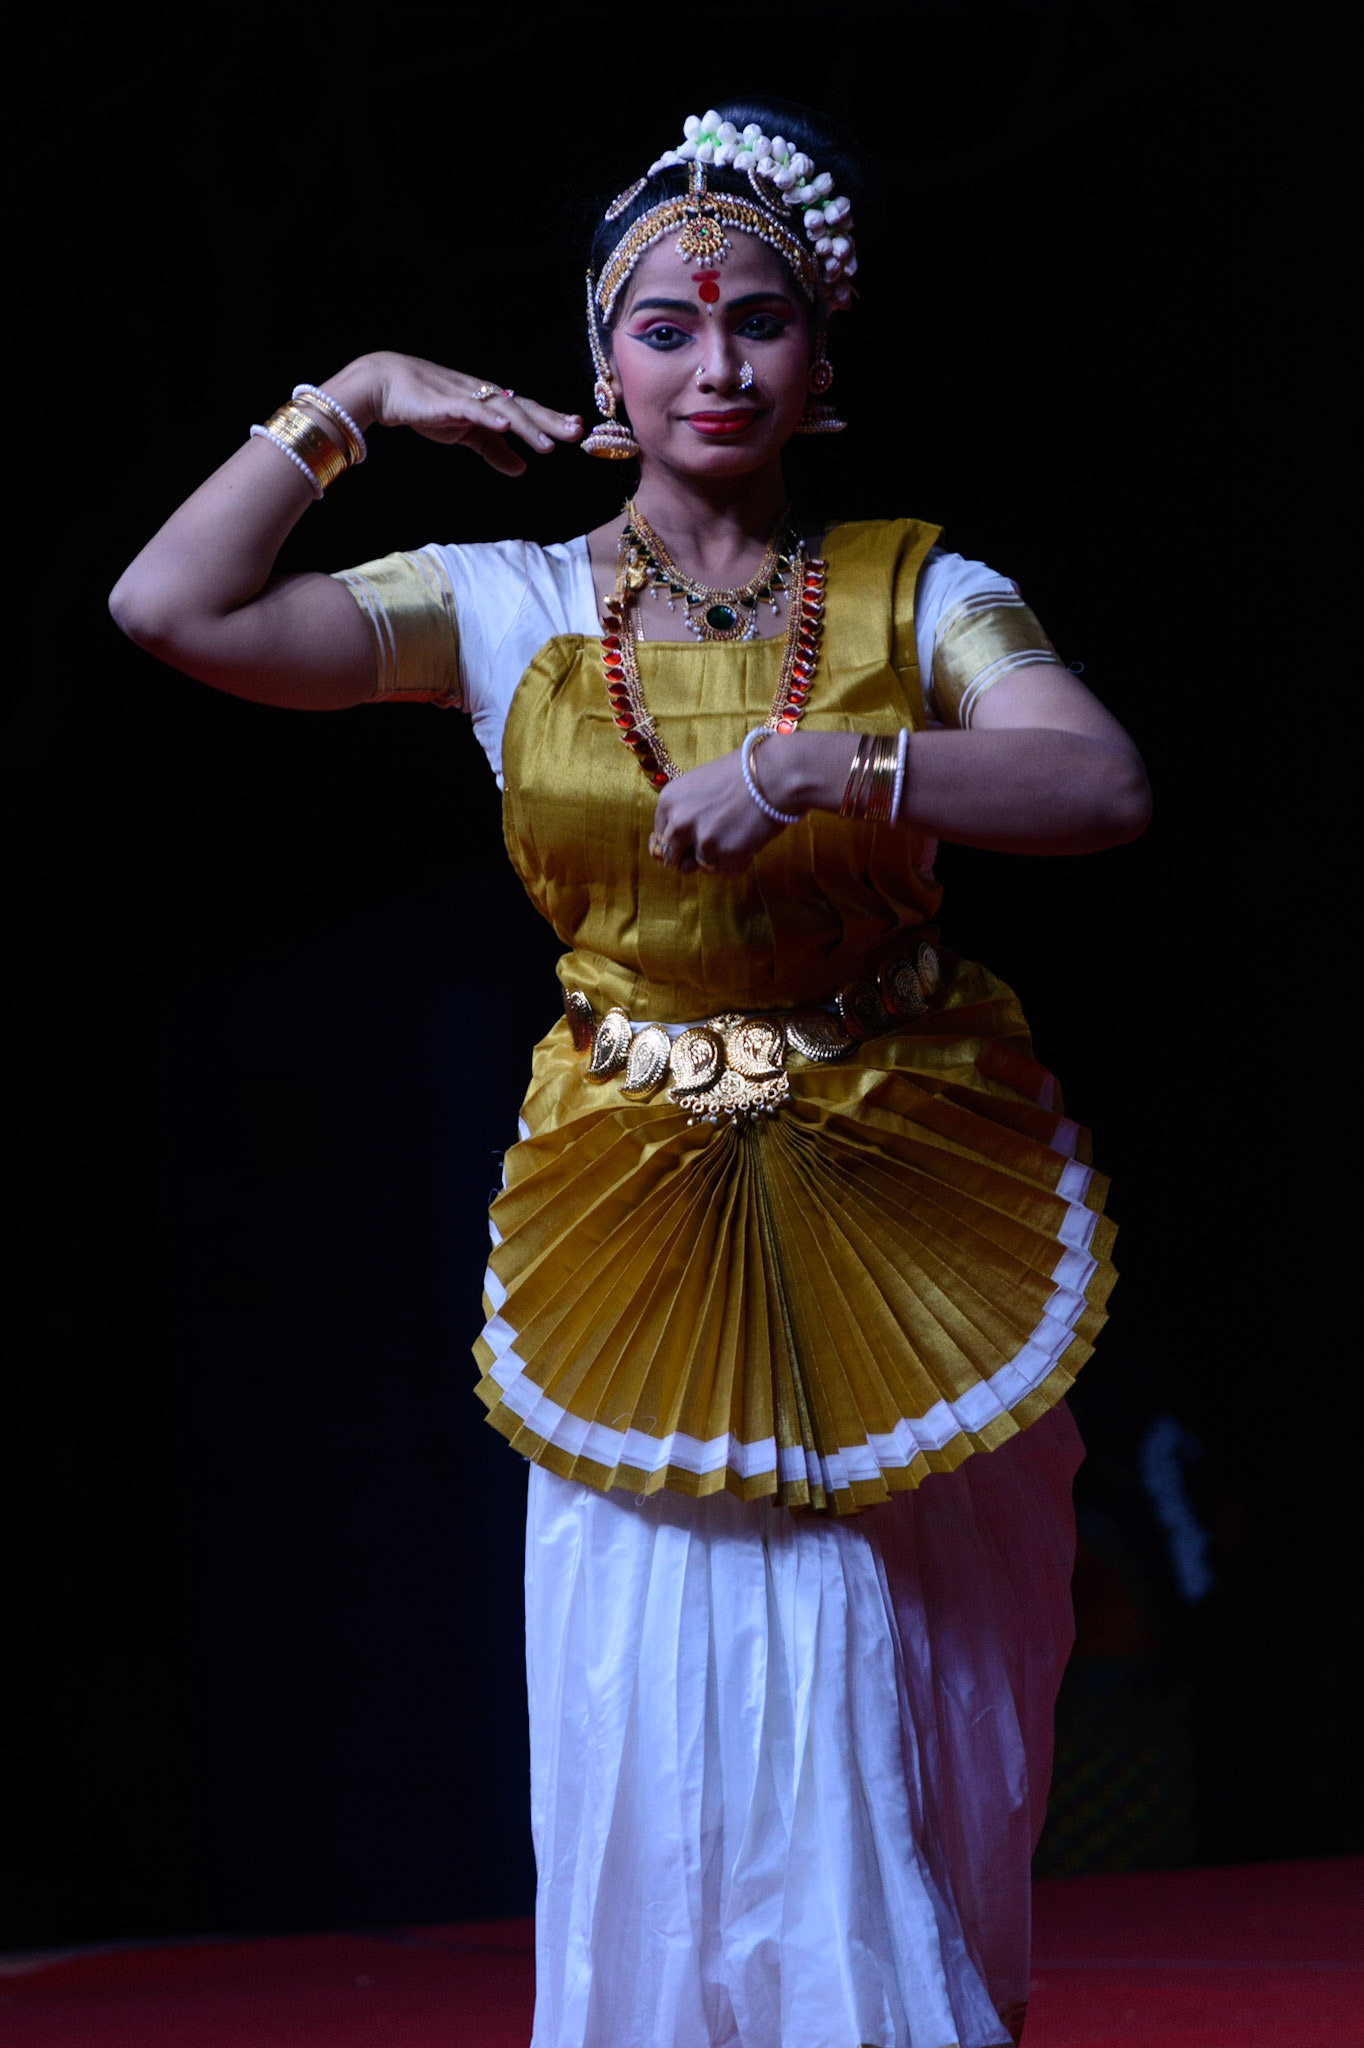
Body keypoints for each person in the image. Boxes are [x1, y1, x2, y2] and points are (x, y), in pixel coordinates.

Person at [111, 98, 1149, 2048]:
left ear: (818, 361)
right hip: (641, 1189)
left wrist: (848, 761)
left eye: (755, 321)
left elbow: (1094, 781)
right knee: (670, 1660)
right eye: (663, 329)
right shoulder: (501, 603)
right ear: (604, 364)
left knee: (901, 1660)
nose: (713, 361)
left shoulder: (917, 592)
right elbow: (171, 611)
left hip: (892, 1167)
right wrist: (352, 398)